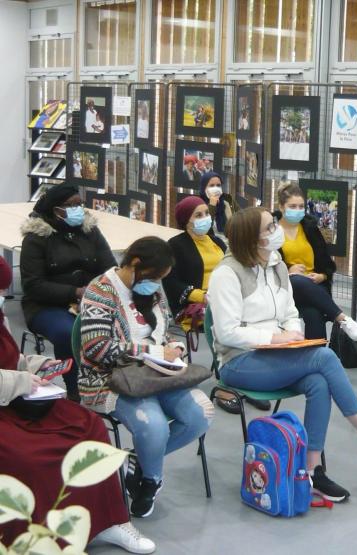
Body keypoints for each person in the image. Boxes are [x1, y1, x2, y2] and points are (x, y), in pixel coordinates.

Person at [208, 208, 357, 503]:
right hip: (238, 361)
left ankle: (311, 472)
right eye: (269, 227)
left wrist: (293, 335)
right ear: (251, 238)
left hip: (276, 355)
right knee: (325, 358)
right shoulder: (226, 274)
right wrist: (275, 338)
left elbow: (290, 312)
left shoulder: (276, 264)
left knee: (319, 383)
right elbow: (227, 333)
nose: (276, 230)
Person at [0, 257, 155, 554]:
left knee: (89, 426)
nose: (3, 297)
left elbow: (10, 358)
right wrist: (20, 381)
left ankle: (110, 519)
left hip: (18, 399)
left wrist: (38, 364)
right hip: (10, 400)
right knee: (26, 456)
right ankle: (35, 539)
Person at [78, 237, 214, 517]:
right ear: (135, 263)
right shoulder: (100, 290)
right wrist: (151, 351)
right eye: (154, 278)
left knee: (201, 414)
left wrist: (174, 348)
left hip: (157, 374)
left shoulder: (152, 290)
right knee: (154, 426)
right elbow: (97, 348)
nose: (156, 284)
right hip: (111, 378)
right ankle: (151, 480)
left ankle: (139, 458)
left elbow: (165, 331)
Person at [162, 196, 270, 415]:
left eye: (206, 213)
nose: (206, 218)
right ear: (186, 221)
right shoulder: (175, 245)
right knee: (223, 316)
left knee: (253, 316)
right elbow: (171, 283)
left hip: (225, 299)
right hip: (194, 306)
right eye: (198, 215)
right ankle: (225, 384)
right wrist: (203, 296)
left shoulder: (218, 242)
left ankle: (247, 377)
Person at [20, 184, 117, 402]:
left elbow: (110, 268)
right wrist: (75, 292)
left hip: (90, 300)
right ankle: (75, 390)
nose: (78, 209)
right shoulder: (36, 238)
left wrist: (98, 291)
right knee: (69, 332)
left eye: (80, 204)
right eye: (71, 205)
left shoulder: (90, 231)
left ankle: (109, 382)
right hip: (46, 305)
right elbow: (33, 285)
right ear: (56, 209)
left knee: (116, 325)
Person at [276, 182, 357, 341]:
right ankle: (342, 318)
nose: (298, 210)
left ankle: (317, 354)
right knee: (297, 280)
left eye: (301, 206)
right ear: (281, 207)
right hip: (285, 286)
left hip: (314, 287)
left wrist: (322, 276)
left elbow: (326, 263)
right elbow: (267, 262)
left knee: (314, 314)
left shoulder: (309, 228)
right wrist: (287, 269)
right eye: (293, 206)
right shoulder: (272, 230)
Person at [199, 171, 237, 236]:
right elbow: (203, 230)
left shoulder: (228, 200)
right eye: (211, 185)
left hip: (229, 240)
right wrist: (212, 206)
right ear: (203, 188)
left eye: (218, 185)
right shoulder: (197, 205)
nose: (216, 188)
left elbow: (241, 221)